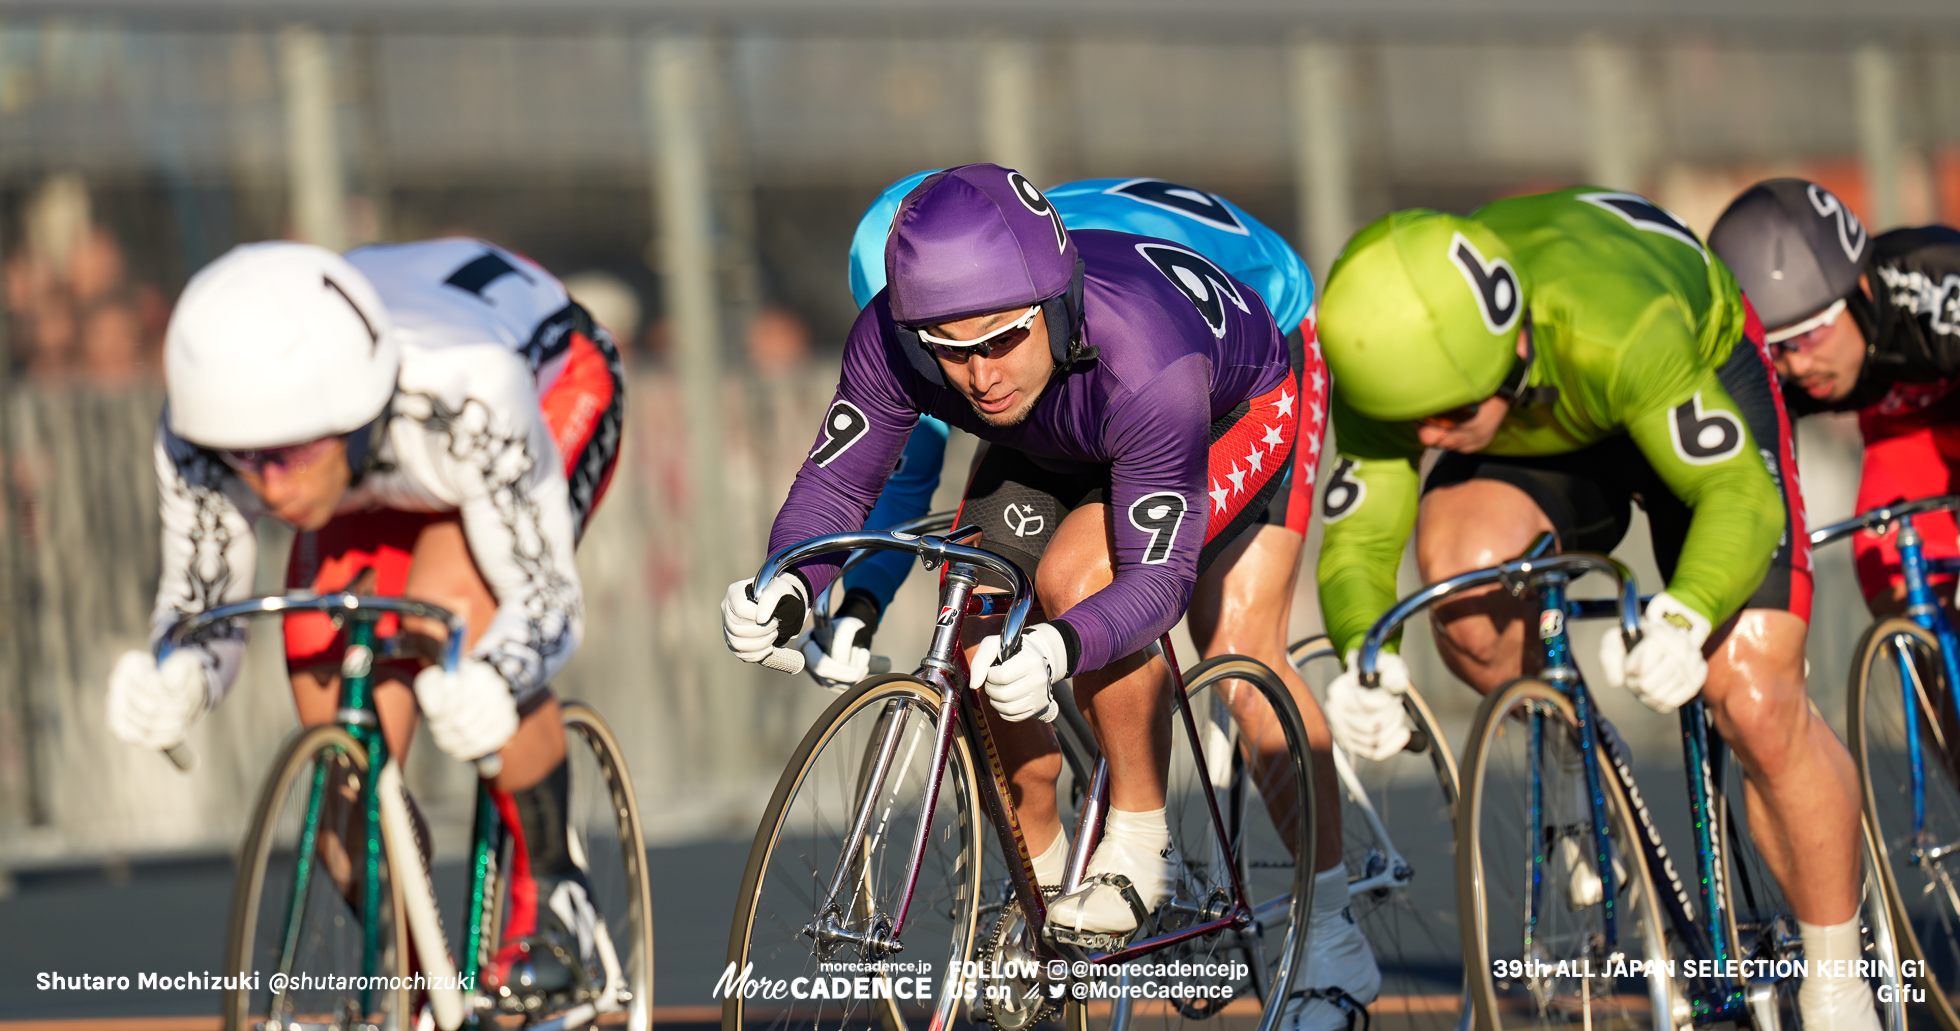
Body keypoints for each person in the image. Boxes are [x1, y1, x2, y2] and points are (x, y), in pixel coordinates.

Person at [722, 163, 1362, 1024]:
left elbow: (1157, 578)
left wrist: (1065, 642)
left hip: (1235, 387)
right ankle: (1046, 885)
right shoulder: (901, 332)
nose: (979, 377)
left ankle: (1181, 860)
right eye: (948, 350)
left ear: (1055, 303)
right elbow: (845, 487)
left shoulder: (1144, 350)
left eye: (998, 340)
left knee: (1180, 628)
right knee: (975, 608)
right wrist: (792, 583)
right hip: (1066, 410)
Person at [1315, 188, 1877, 1031]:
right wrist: (1365, 654)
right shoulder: (1389, 357)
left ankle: (1840, 985)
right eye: (1411, 425)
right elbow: (1359, 544)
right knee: (1465, 593)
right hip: (1543, 431)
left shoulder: (1623, 322)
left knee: (1753, 695)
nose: (1430, 437)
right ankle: (1578, 779)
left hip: (1681, 367)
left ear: (1507, 355)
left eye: (1452, 416)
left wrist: (1687, 616)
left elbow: (1739, 496)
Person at [104, 238, 624, 1008]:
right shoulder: (202, 428)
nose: (270, 485)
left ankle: (554, 899)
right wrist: (180, 673)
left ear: (350, 417)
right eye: (244, 459)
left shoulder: (466, 396)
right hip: (381, 438)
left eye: (289, 454)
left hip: (544, 372)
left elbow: (546, 600)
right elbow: (200, 599)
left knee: (457, 607)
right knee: (336, 730)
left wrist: (496, 673)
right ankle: (419, 986)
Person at [1710, 177, 1960, 615]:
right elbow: (1749, 493)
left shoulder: (1937, 288)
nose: (1798, 364)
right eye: (1775, 347)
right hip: (1899, 439)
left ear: (1860, 290)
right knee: (1905, 605)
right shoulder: (1780, 370)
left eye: (1809, 334)